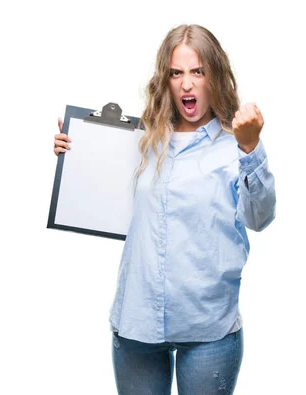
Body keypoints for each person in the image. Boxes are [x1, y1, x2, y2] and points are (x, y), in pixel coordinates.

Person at [53, 24, 275, 394]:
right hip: (138, 322)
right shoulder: (141, 139)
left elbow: (261, 217)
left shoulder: (234, 143)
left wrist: (251, 149)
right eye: (177, 73)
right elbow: (101, 192)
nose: (187, 84)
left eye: (197, 71)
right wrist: (76, 151)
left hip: (208, 328)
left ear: (214, 76)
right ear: (166, 80)